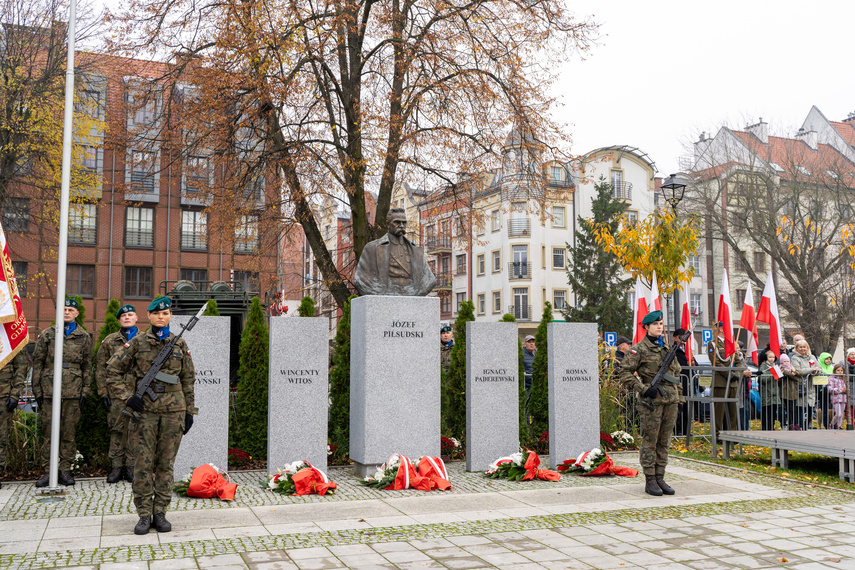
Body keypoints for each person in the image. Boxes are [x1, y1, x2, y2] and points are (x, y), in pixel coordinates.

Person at [106, 296, 197, 535]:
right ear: (148, 316)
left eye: (165, 313)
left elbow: (188, 379)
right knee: (143, 465)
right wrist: (128, 397)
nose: (161, 317)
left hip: (173, 412)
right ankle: (144, 514)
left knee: (166, 464)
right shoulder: (136, 342)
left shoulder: (180, 344)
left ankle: (161, 513)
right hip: (144, 412)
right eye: (156, 313)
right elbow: (112, 370)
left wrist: (189, 411)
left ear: (170, 317)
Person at [619, 310, 683, 496]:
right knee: (650, 441)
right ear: (646, 327)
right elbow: (624, 373)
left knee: (664, 441)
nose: (659, 327)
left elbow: (676, 375)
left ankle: (660, 476)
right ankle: (650, 479)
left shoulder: (667, 349)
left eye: (661, 324)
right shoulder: (639, 349)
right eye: (655, 324)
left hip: (670, 400)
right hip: (651, 402)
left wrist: (679, 397)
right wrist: (643, 388)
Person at [32, 298, 93, 487]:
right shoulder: (47, 335)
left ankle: (65, 470)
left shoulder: (84, 337)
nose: (66, 312)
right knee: (49, 433)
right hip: (49, 390)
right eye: (63, 309)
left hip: (73, 392)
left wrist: (86, 391)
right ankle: (48, 471)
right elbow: (38, 364)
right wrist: (37, 391)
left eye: (70, 309)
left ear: (77, 313)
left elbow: (88, 366)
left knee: (68, 433)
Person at [95, 304, 139, 484]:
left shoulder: (145, 339)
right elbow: (100, 367)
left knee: (135, 430)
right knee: (116, 429)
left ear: (136, 318)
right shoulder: (110, 341)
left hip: (138, 393)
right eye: (123, 316)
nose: (127, 317)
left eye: (130, 314)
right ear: (119, 320)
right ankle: (116, 467)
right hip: (116, 393)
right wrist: (102, 391)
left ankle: (130, 467)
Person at [353, 208, 436, 296]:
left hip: (412, 294)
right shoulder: (372, 248)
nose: (401, 225)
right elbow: (360, 280)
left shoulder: (416, 251)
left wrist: (417, 291)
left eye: (404, 222)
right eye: (397, 222)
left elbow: (430, 280)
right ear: (388, 224)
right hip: (384, 295)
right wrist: (383, 292)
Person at [706, 321, 752, 435]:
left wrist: (737, 374)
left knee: (733, 412)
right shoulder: (712, 344)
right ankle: (717, 435)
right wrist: (732, 375)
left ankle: (732, 435)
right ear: (721, 329)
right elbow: (716, 363)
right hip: (721, 382)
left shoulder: (731, 343)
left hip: (733, 383)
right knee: (719, 412)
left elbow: (738, 361)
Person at [0, 350, 27, 488]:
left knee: (1, 438)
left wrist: (15, 394)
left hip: (3, 397)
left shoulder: (10, 337)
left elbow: (21, 368)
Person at [790, 340, 820, 430]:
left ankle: (808, 425)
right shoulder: (795, 358)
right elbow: (798, 370)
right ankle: (800, 426)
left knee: (810, 407)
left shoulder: (812, 357)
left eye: (804, 347)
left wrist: (816, 371)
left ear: (807, 348)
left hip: (811, 386)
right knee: (800, 407)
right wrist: (811, 370)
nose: (802, 349)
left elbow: (819, 368)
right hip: (800, 386)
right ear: (797, 348)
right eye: (800, 347)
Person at [672, 329, 696, 437]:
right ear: (676, 338)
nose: (684, 339)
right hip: (679, 381)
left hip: (688, 382)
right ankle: (678, 429)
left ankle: (686, 429)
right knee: (678, 407)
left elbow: (695, 364)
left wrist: (694, 364)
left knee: (687, 407)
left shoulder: (688, 350)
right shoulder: (673, 350)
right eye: (681, 336)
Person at [757, 350, 781, 430]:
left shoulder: (775, 365)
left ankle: (771, 427)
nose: (772, 359)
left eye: (773, 357)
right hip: (767, 393)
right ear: (766, 357)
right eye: (770, 357)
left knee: (773, 413)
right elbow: (763, 379)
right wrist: (774, 374)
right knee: (767, 412)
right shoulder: (763, 366)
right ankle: (766, 428)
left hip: (775, 393)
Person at [778, 354, 799, 429]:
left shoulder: (792, 368)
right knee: (788, 409)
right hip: (785, 392)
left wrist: (789, 372)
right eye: (784, 361)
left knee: (794, 409)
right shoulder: (780, 369)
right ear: (781, 363)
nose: (786, 363)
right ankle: (789, 424)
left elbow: (796, 378)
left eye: (787, 361)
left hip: (793, 392)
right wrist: (786, 372)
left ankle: (795, 423)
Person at [816, 351, 834, 429]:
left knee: (832, 408)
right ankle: (825, 424)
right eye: (826, 359)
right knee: (824, 408)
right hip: (822, 390)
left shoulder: (832, 368)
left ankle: (832, 424)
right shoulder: (820, 368)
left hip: (832, 390)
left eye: (830, 359)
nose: (828, 361)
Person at [827, 363, 847, 430]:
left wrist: (845, 390)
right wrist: (840, 390)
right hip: (836, 398)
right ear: (835, 371)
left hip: (843, 398)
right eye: (838, 370)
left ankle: (838, 426)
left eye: (841, 370)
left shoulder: (843, 379)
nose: (840, 372)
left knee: (841, 414)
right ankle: (832, 425)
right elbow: (830, 389)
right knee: (838, 414)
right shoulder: (832, 378)